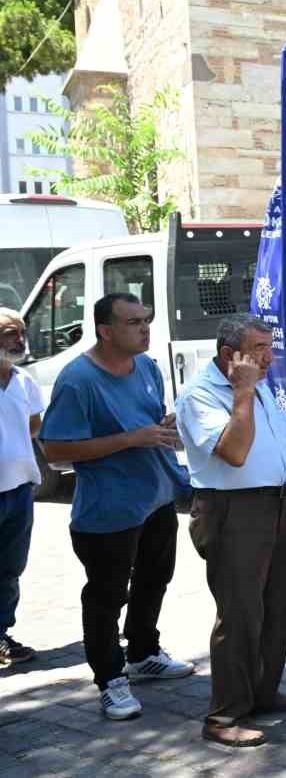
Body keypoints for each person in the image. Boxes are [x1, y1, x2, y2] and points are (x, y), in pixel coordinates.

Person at [38, 293, 195, 721]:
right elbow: (55, 450)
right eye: (133, 322)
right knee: (107, 597)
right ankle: (110, 680)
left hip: (156, 497)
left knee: (154, 580)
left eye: (146, 319)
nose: (144, 329)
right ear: (105, 331)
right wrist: (129, 439)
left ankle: (143, 654)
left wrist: (165, 427)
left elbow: (150, 423)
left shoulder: (147, 366)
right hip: (107, 512)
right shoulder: (78, 380)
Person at [174, 315, 286, 747]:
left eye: (269, 347)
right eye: (258, 349)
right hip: (232, 510)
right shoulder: (203, 394)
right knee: (239, 615)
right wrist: (243, 392)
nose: (268, 357)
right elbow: (234, 453)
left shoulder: (256, 386)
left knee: (275, 606)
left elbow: (269, 449)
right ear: (228, 354)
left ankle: (263, 692)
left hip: (272, 504)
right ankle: (224, 715)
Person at [0, 307, 41, 670]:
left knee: (11, 567)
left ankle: (1, 635)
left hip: (19, 489)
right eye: (10, 333)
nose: (19, 340)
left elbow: (33, 425)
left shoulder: (24, 381)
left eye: (22, 332)